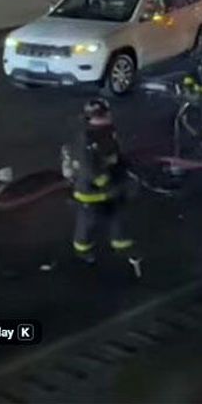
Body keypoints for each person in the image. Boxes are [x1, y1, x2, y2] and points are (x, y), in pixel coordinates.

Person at [69, 99, 139, 273]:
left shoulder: (107, 131)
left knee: (118, 217)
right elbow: (90, 169)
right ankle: (83, 252)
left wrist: (125, 165)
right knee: (88, 223)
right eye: (101, 116)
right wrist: (108, 185)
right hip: (90, 193)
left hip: (111, 187)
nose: (106, 118)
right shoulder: (86, 139)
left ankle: (122, 246)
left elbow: (114, 154)